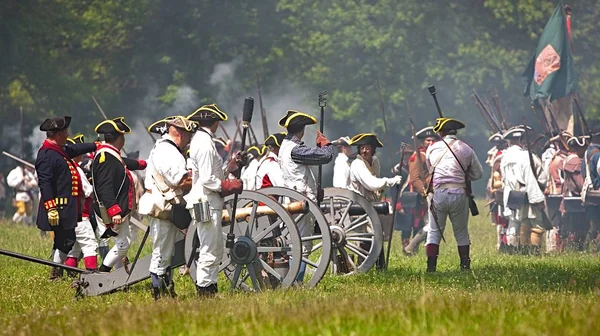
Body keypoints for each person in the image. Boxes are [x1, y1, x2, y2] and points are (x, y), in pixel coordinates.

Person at [186, 104, 244, 296]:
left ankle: (210, 287)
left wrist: (231, 166)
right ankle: (204, 290)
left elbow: (214, 173)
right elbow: (207, 180)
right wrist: (229, 186)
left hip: (209, 202)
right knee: (209, 248)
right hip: (205, 202)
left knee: (215, 247)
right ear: (215, 122)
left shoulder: (204, 141)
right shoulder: (203, 143)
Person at [34, 116, 97, 280]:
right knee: (65, 240)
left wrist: (97, 145)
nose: (68, 134)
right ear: (58, 134)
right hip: (57, 207)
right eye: (65, 131)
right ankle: (55, 273)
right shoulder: (47, 154)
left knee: (63, 240)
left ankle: (56, 273)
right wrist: (51, 207)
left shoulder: (59, 151)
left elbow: (76, 149)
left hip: (67, 207)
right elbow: (45, 183)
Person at [140, 116, 195, 299]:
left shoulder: (168, 149)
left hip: (171, 207)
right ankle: (159, 293)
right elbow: (179, 180)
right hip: (164, 207)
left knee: (167, 252)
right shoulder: (167, 151)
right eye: (188, 135)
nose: (189, 140)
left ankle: (166, 289)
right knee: (161, 252)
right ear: (178, 132)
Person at [278, 110, 334, 282]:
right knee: (302, 244)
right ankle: (296, 281)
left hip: (296, 196)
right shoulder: (295, 149)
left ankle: (295, 280)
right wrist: (326, 144)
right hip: (301, 199)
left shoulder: (286, 147)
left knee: (299, 243)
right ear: (301, 130)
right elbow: (326, 156)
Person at [425, 117, 483, 272]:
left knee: (433, 232)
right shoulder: (466, 148)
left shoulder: (432, 148)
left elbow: (430, 168)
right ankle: (465, 266)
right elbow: (478, 174)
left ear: (441, 132)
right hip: (459, 192)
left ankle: (431, 268)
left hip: (439, 193)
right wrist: (463, 175)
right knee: (461, 232)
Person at [92, 117, 147, 273]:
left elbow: (122, 163)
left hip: (114, 207)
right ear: (117, 138)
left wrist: (142, 164)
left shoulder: (109, 154)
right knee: (123, 244)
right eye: (122, 136)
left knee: (123, 243)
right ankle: (103, 272)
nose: (124, 140)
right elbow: (105, 187)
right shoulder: (105, 157)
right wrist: (114, 209)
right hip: (112, 208)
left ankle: (118, 275)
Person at [500, 126, 548, 255]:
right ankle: (533, 253)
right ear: (522, 139)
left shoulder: (505, 157)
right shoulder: (526, 156)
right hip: (528, 194)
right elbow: (533, 179)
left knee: (519, 223)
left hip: (512, 195)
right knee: (536, 225)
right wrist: (537, 198)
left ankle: (519, 252)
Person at [63, 134, 98, 273]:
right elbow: (88, 191)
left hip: (72, 214)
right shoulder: (76, 169)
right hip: (81, 214)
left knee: (75, 248)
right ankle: (92, 273)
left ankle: (70, 272)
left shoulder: (67, 168)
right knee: (90, 244)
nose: (82, 156)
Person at [403, 126, 438, 255]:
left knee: (431, 224)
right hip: (424, 195)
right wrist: (425, 193)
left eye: (433, 140)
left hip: (434, 193)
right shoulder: (418, 156)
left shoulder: (433, 155)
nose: (430, 143)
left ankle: (420, 249)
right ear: (423, 141)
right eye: (428, 140)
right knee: (431, 224)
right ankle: (411, 247)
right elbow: (415, 178)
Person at [560, 136, 588, 251]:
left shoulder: (567, 159)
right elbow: (580, 183)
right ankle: (576, 250)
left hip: (568, 197)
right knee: (579, 227)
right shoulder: (575, 161)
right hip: (575, 199)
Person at [545, 131, 571, 253]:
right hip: (558, 194)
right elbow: (562, 180)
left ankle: (553, 248)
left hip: (553, 193)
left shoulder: (556, 158)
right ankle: (553, 248)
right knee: (557, 223)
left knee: (555, 222)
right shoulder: (560, 159)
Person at [486, 132, 508, 252]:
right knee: (500, 219)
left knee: (505, 220)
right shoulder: (496, 155)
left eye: (501, 143)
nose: (499, 146)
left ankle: (504, 243)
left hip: (503, 187)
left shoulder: (503, 155)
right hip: (498, 188)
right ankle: (501, 244)